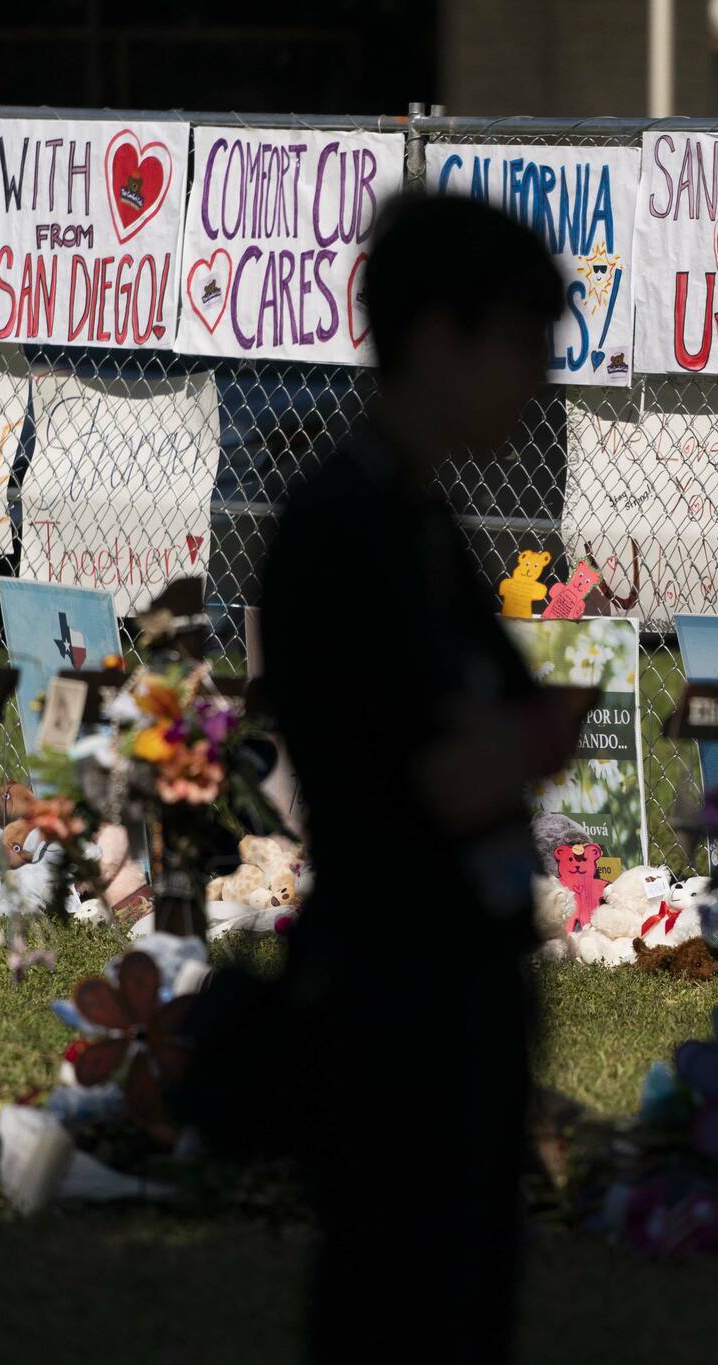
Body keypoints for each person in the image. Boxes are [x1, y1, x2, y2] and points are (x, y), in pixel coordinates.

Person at [258, 193, 576, 1362]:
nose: (538, 385)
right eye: (524, 349)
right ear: (440, 339)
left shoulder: (419, 515)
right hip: (397, 980)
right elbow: (428, 769)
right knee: (400, 1301)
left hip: (456, 972)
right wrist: (525, 739)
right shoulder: (348, 525)